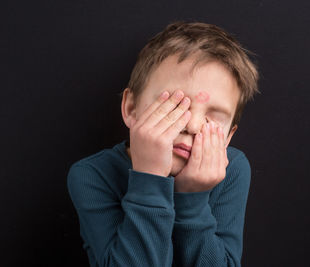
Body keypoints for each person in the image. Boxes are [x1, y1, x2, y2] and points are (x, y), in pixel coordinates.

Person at [67, 21, 260, 266]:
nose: (192, 126)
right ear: (131, 109)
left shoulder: (232, 170)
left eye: (213, 118)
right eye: (176, 106)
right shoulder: (92, 175)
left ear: (228, 138)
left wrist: (192, 199)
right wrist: (149, 178)